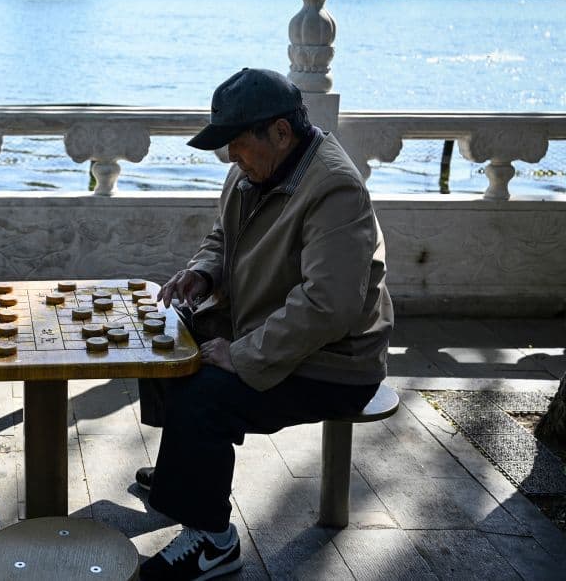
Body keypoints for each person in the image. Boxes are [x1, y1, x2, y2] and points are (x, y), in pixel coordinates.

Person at [136, 68, 393, 580]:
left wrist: (242, 354)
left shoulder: (335, 189)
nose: (230, 156)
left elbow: (329, 307)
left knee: (205, 393)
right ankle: (183, 473)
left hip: (336, 362)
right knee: (165, 336)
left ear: (280, 131)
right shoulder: (254, 169)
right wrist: (203, 274)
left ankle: (213, 539)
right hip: (271, 324)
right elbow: (223, 238)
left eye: (236, 142)